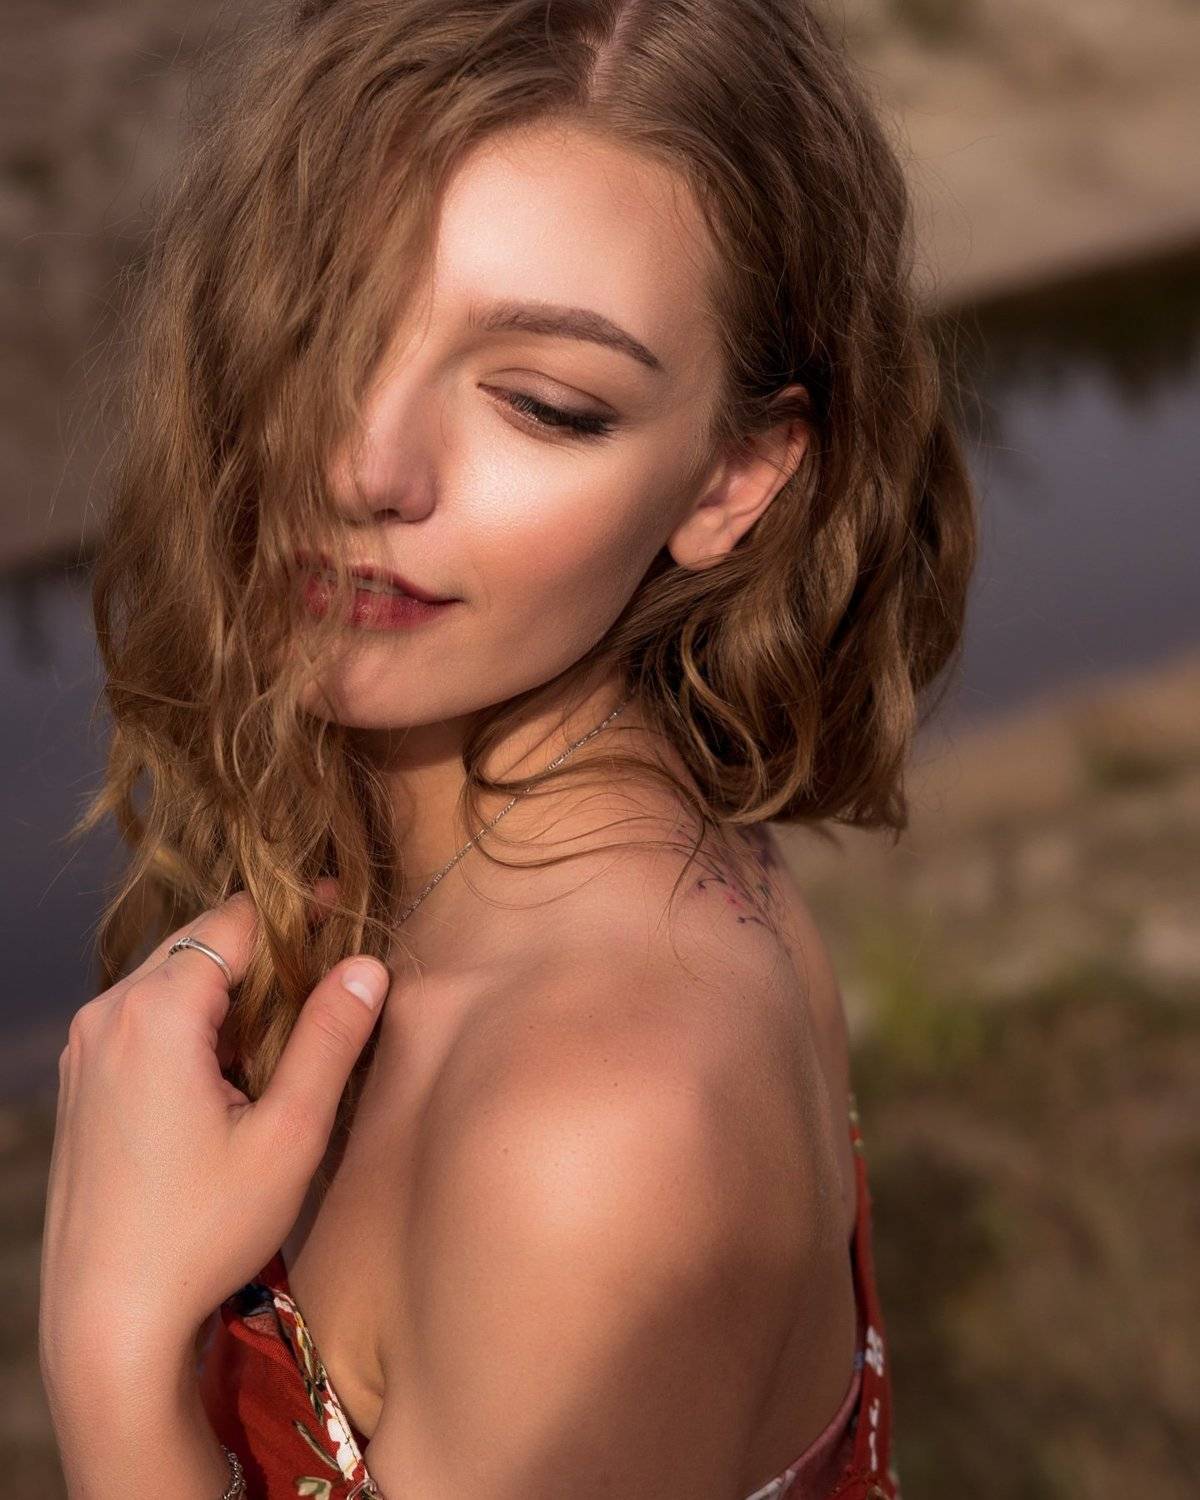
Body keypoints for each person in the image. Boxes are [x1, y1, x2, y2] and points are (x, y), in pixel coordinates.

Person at [39, 0, 977, 1496]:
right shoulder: (604, 854)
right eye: (326, 325)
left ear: (733, 479)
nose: (363, 464)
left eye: (545, 403)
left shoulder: (598, 1120)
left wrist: (114, 1362)